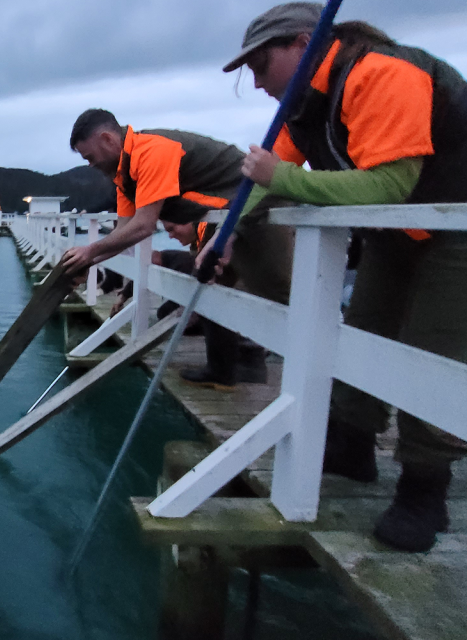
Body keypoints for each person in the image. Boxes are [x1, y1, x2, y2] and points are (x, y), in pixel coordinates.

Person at [223, 2, 467, 551]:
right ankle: (354, 447)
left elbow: (388, 186)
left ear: (303, 43)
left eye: (261, 66)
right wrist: (227, 233)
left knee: (433, 354)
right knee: (359, 334)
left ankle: (424, 487)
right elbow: (264, 184)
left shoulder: (383, 72)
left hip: (457, 226)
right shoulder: (302, 104)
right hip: (393, 237)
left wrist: (281, 174)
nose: (257, 83)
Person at [62, 108, 294, 389]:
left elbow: (145, 225)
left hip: (257, 205)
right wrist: (88, 261)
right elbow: (125, 231)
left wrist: (90, 252)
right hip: (223, 215)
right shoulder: (124, 176)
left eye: (89, 157)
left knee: (282, 294)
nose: (90, 164)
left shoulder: (152, 151)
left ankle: (329, 388)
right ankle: (224, 372)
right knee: (210, 285)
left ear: (108, 140)